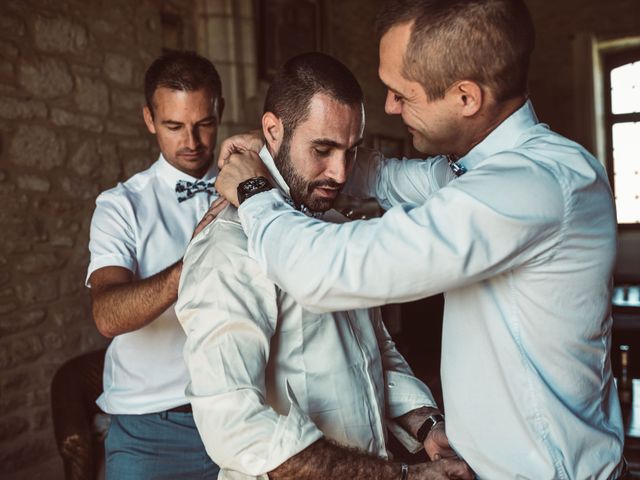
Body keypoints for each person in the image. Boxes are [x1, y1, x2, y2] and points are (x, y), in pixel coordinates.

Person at [213, 1, 626, 478]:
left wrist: (252, 189)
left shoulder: (529, 185)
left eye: (402, 94)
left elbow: (322, 270)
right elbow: (383, 176)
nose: (390, 106)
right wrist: (282, 150)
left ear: (466, 97)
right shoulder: (491, 169)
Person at [176, 52, 473, 480]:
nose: (339, 173)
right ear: (273, 132)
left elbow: (375, 353)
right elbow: (234, 425)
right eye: (323, 149)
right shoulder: (229, 245)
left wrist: (424, 424)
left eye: (351, 152)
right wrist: (399, 477)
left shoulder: (334, 225)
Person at [86, 50, 226, 479]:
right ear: (149, 119)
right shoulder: (120, 206)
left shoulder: (248, 189)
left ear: (219, 111)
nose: (192, 141)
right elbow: (107, 316)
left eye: (203, 124)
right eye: (174, 126)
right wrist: (191, 267)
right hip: (149, 426)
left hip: (240, 414)